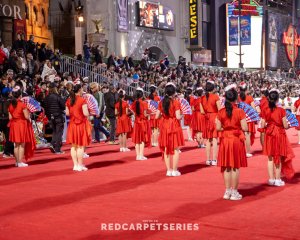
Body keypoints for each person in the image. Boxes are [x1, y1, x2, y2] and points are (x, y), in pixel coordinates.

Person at [216, 84, 248, 200]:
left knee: (227, 167)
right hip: (236, 140)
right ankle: (234, 192)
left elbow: (218, 128)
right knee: (235, 167)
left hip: (225, 139)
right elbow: (244, 128)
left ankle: (227, 191)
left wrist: (227, 128)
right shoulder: (240, 111)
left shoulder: (221, 112)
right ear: (235, 98)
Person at [261, 89, 295, 186]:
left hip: (269, 133)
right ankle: (277, 179)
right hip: (279, 134)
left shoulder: (265, 110)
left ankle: (271, 179)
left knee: (270, 158)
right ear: (277, 99)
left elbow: (262, 124)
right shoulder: (281, 110)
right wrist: (288, 126)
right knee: (278, 157)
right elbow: (284, 125)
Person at [156, 82, 184, 176]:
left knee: (166, 148)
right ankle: (175, 170)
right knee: (175, 149)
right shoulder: (176, 102)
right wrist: (182, 114)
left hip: (164, 125)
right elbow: (177, 116)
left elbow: (156, 116)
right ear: (174, 92)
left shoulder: (161, 102)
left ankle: (168, 170)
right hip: (174, 125)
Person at [66, 83, 91, 171]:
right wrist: (89, 111)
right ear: (80, 90)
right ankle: (80, 165)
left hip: (72, 125)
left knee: (74, 146)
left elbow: (67, 113)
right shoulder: (82, 100)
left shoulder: (69, 100)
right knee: (80, 146)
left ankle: (75, 165)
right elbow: (86, 113)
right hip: (80, 125)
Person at [8, 86, 36, 167]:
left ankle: (17, 162)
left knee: (16, 145)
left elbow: (10, 117)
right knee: (22, 144)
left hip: (14, 125)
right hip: (21, 125)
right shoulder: (22, 104)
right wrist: (29, 114)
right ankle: (20, 161)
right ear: (20, 95)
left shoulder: (10, 105)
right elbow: (27, 117)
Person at [201, 81, 221, 166]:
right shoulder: (215, 96)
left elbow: (202, 111)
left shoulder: (202, 98)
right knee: (215, 139)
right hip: (215, 117)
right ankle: (214, 159)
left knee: (208, 140)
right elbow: (220, 109)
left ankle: (208, 159)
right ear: (213, 88)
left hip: (207, 118)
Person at [44, 82, 66, 154]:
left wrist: (49, 117)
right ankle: (57, 149)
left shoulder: (47, 97)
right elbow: (63, 106)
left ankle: (53, 144)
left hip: (51, 117)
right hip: (58, 116)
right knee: (59, 132)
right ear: (55, 88)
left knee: (54, 132)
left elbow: (46, 108)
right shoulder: (58, 96)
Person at [131, 88, 150, 160]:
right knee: (142, 139)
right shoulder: (144, 103)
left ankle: (137, 155)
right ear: (142, 95)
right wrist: (150, 114)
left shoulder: (134, 103)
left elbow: (133, 112)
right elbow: (145, 115)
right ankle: (141, 155)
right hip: (142, 122)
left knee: (137, 139)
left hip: (136, 122)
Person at [238, 82, 256, 157]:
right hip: (248, 118)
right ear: (246, 89)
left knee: (240, 134)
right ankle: (247, 152)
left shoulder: (237, 98)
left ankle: (240, 151)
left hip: (239, 118)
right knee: (247, 135)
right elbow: (253, 108)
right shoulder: (249, 97)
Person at [0, 86, 14, 158]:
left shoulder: (1, 100)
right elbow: (10, 111)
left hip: (1, 119)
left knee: (7, 136)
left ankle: (10, 151)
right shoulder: (9, 101)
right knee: (9, 136)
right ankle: (6, 152)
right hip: (7, 120)